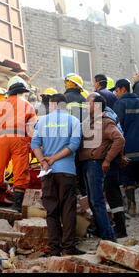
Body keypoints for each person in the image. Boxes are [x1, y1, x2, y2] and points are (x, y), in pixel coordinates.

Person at [31, 93, 85, 256]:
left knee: (52, 211)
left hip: (47, 172)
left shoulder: (42, 121)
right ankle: (68, 248)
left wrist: (44, 161)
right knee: (68, 210)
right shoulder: (74, 121)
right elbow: (74, 145)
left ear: (53, 105)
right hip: (66, 171)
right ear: (65, 105)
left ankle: (54, 249)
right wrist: (54, 158)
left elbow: (35, 144)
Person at [0, 76, 37, 212]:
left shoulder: (1, 105)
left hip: (3, 139)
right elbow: (32, 130)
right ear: (22, 91)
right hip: (19, 139)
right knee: (20, 171)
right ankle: (16, 206)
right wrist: (30, 147)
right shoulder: (28, 105)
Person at [80, 93, 126, 239]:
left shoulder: (105, 121)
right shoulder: (89, 120)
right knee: (93, 201)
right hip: (87, 164)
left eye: (89, 103)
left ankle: (108, 236)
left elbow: (119, 139)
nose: (86, 105)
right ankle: (101, 230)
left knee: (97, 201)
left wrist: (107, 160)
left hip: (95, 164)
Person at [112, 79, 139, 217]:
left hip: (127, 151)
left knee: (128, 179)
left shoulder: (120, 104)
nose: (116, 94)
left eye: (117, 91)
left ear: (123, 89)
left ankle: (131, 207)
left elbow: (117, 128)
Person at [64, 73, 88, 196]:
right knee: (80, 164)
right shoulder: (84, 100)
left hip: (67, 139)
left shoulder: (63, 99)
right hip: (81, 138)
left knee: (69, 164)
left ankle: (73, 190)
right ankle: (83, 190)